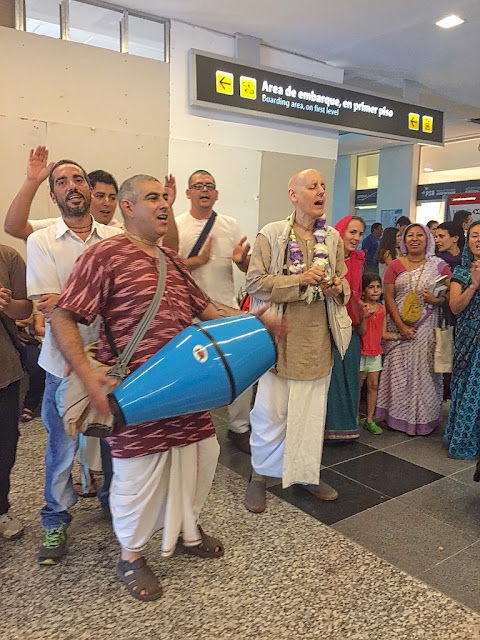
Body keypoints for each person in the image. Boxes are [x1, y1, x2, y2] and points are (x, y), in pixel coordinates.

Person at [49, 173, 275, 602]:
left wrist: (254, 322)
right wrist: (86, 372)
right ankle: (131, 556)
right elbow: (62, 315)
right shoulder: (105, 255)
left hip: (190, 390)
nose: (163, 205)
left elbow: (208, 310)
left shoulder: (171, 260)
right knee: (140, 476)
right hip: (141, 393)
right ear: (127, 207)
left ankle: (187, 532)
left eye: (166, 198)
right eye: (153, 197)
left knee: (199, 460)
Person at [23, 158, 124, 564]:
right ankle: (55, 520)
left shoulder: (116, 238)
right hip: (60, 365)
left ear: (89, 187)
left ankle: (112, 504)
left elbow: (116, 301)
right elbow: (47, 306)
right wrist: (82, 303)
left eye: (78, 179)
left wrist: (65, 301)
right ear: (54, 195)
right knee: (61, 448)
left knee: (116, 441)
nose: (72, 186)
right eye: (62, 182)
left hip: (109, 361)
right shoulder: (42, 240)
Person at [244, 169, 349, 512]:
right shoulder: (272, 234)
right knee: (270, 413)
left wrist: (337, 288)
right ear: (293, 194)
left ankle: (306, 473)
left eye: (323, 186)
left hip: (317, 339)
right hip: (278, 339)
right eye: (313, 186)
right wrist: (300, 280)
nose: (321, 191)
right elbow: (255, 283)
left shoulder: (332, 238)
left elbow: (344, 283)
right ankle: (259, 476)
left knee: (310, 413)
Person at [176, 170, 252, 453]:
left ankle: (240, 427)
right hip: (189, 314)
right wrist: (197, 261)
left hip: (226, 311)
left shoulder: (230, 224)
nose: (204, 190)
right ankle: (192, 431)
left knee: (242, 368)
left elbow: (246, 267)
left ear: (217, 194)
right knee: (193, 374)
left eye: (209, 186)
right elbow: (169, 270)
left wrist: (243, 262)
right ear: (188, 193)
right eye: (198, 186)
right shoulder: (177, 225)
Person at [4, 145, 179, 251]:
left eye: (112, 197)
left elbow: (168, 250)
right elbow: (13, 227)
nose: (107, 203)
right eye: (101, 196)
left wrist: (167, 206)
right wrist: (32, 182)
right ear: (90, 193)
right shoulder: (52, 229)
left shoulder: (121, 233)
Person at [376, 224, 451, 435]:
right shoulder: (395, 265)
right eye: (410, 235)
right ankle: (395, 416)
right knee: (397, 373)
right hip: (398, 328)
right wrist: (400, 326)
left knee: (424, 373)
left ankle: (424, 418)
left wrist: (437, 300)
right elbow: (388, 297)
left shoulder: (439, 266)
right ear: (403, 240)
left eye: (420, 235)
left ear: (428, 239)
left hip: (426, 328)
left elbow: (448, 294)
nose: (415, 239)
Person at [0, 244, 32, 540]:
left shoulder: (7, 257)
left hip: (4, 372)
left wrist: (8, 304)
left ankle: (1, 509)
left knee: (5, 447)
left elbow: (26, 308)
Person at [324, 215, 366, 441]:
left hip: (352, 325)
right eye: (352, 232)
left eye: (360, 233)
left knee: (350, 375)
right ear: (341, 231)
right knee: (333, 379)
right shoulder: (328, 258)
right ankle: (330, 426)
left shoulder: (359, 260)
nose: (356, 238)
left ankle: (347, 427)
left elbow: (356, 294)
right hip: (330, 325)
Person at [444, 221, 480, 459]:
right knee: (466, 387)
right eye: (475, 235)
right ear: (468, 240)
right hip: (468, 338)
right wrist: (475, 284)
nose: (479, 239)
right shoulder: (460, 272)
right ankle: (464, 439)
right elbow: (455, 307)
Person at [358, 272, 400, 435]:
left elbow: (383, 334)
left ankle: (369, 419)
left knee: (373, 385)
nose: (375, 291)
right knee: (359, 385)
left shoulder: (382, 309)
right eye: (371, 287)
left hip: (375, 352)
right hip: (361, 350)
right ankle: (354, 416)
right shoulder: (361, 307)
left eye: (378, 287)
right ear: (363, 291)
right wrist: (363, 315)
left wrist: (398, 336)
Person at [16, 309, 45, 423]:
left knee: (38, 366)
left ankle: (29, 405)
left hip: (21, 339)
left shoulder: (18, 293)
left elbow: (27, 320)